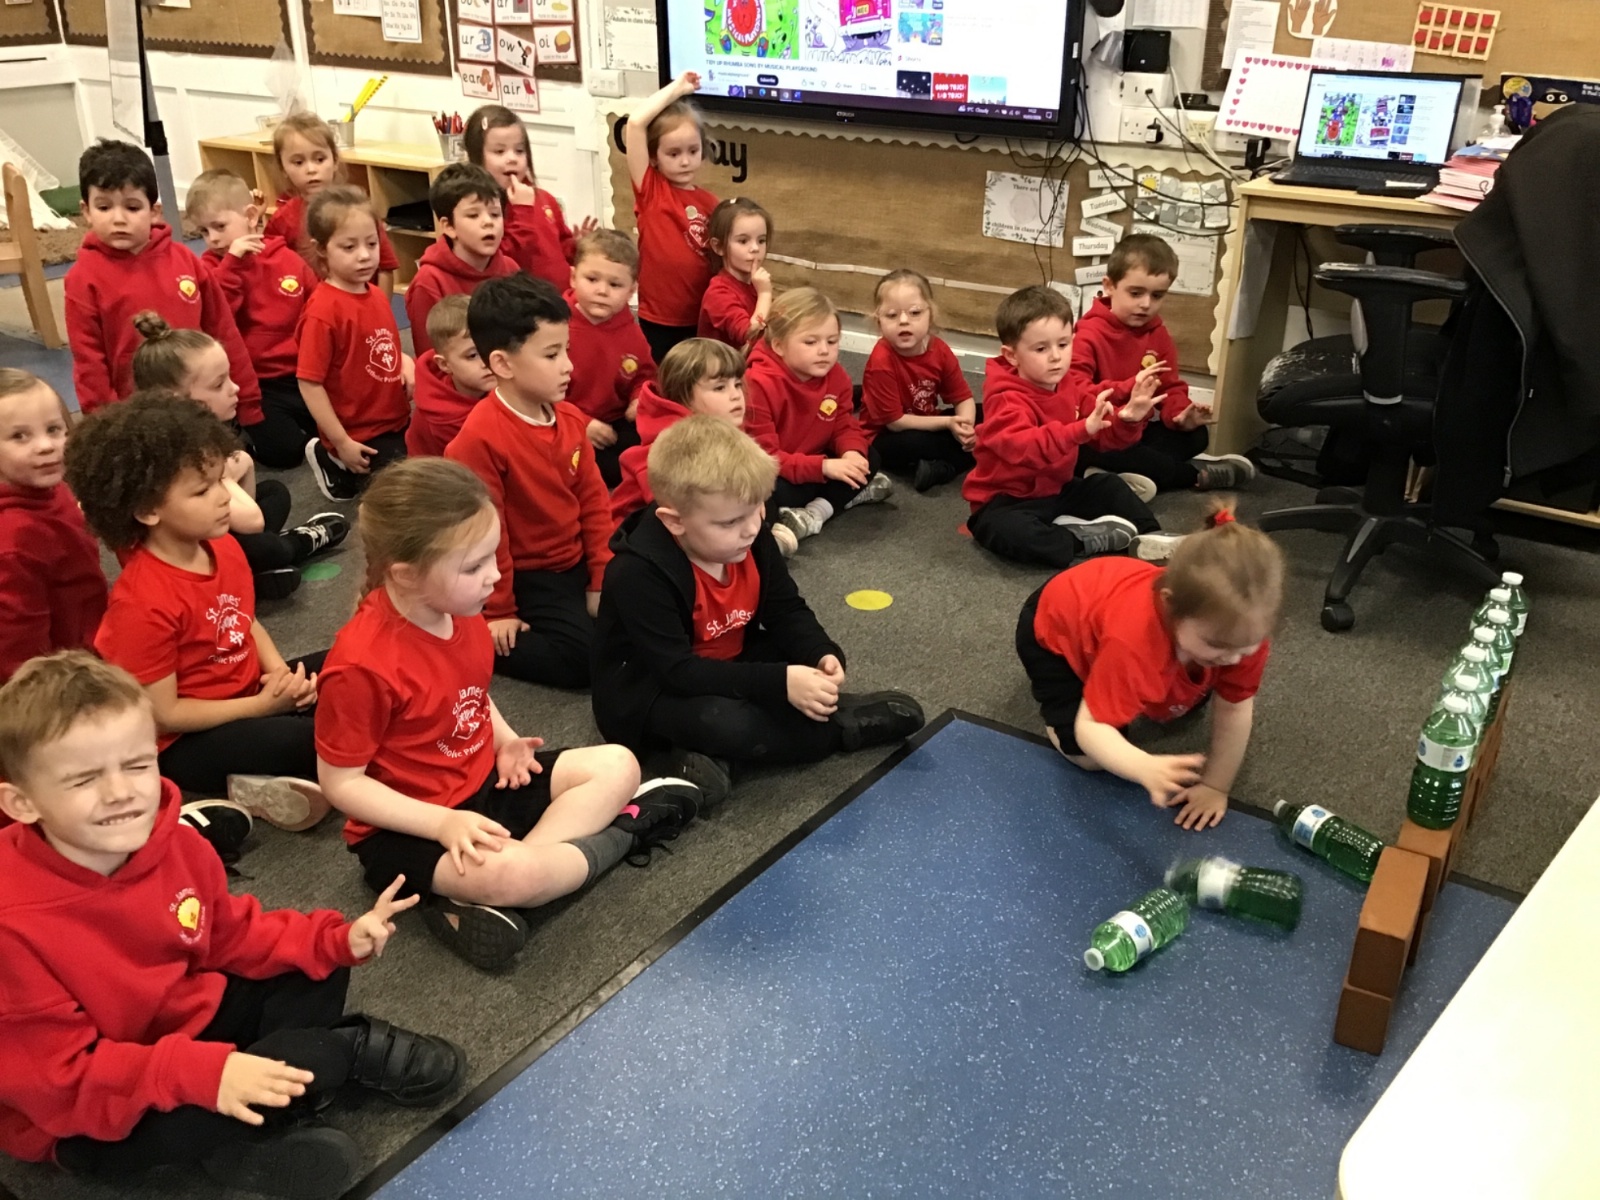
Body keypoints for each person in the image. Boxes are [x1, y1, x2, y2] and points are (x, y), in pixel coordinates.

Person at [0, 651, 466, 1200]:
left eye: (137, 765)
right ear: (21, 803)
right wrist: (204, 1073)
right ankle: (324, 1065)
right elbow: (61, 1084)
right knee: (303, 1062)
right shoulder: (12, 927)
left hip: (185, 1022)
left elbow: (229, 935)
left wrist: (335, 940)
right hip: (88, 1106)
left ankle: (265, 1114)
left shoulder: (176, 842)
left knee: (316, 963)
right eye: (84, 779)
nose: (121, 792)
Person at [315, 458, 698, 971]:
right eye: (473, 567)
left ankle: (509, 885)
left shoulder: (460, 611)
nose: (495, 576)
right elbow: (341, 784)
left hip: (484, 787)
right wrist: (443, 823)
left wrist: (505, 740)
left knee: (619, 763)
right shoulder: (360, 666)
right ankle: (623, 833)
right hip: (408, 830)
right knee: (519, 874)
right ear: (405, 575)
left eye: (493, 557)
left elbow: (468, 692)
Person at [595, 417, 927, 806]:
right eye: (729, 522)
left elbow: (785, 609)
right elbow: (677, 671)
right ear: (674, 522)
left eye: (757, 511)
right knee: (723, 722)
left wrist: (819, 653)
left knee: (795, 671)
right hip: (656, 692)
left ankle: (717, 758)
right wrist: (780, 683)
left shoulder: (751, 537)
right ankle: (837, 729)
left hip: (731, 657)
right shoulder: (637, 573)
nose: (751, 528)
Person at [64, 394, 331, 846]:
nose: (225, 496)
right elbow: (164, 715)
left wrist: (279, 675)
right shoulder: (142, 604)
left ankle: (268, 773)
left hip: (249, 695)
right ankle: (250, 783)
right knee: (309, 738)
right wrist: (264, 706)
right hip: (185, 744)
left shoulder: (222, 547)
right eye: (202, 491)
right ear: (148, 510)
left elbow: (245, 622)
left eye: (220, 480)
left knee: (352, 665)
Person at [1015, 504, 1283, 831]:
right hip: (1053, 628)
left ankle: (1153, 672)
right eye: (1217, 645)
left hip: (1113, 604)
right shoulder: (1134, 641)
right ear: (1171, 606)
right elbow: (1091, 728)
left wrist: (1216, 786)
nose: (1233, 658)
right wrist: (1142, 765)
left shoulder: (1242, 634)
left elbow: (1235, 708)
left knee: (1177, 693)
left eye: (1246, 648)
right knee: (1092, 758)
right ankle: (1060, 718)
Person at [445, 273, 610, 689]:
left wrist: (601, 575)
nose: (568, 365)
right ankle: (461, 638)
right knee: (586, 661)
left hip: (574, 558)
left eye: (566, 350)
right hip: (525, 575)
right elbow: (487, 533)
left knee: (649, 608)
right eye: (552, 354)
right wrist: (499, 610)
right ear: (502, 364)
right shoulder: (479, 439)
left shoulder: (568, 416)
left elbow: (593, 500)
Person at [132, 317, 347, 601]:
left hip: (211, 534)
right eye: (219, 384)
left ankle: (253, 572)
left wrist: (231, 474)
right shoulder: (180, 452)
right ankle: (298, 542)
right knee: (267, 548)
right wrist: (224, 478)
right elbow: (252, 520)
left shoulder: (195, 433)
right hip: (191, 557)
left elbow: (244, 470)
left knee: (275, 492)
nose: (234, 388)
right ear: (178, 400)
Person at [963, 285, 1173, 568]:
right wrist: (1081, 430)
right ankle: (1077, 538)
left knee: (1109, 485)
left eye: (1063, 345)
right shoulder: (1005, 398)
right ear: (1011, 355)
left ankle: (1152, 538)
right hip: (1007, 500)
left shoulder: (1067, 383)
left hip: (1057, 488)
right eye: (1041, 349)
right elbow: (1025, 448)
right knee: (1007, 531)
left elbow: (1105, 437)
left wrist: (1128, 419)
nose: (1056, 356)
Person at [64, 140, 260, 421]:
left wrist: (248, 399)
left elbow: (223, 329)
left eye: (132, 207)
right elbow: (89, 364)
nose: (118, 219)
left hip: (202, 409)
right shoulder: (82, 278)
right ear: (86, 212)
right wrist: (108, 423)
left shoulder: (185, 260)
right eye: (104, 207)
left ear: (154, 211)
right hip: (135, 417)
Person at [1070, 233, 1255, 493]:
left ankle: (1114, 476)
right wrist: (1128, 388)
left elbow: (1169, 387)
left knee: (1196, 436)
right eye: (1136, 293)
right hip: (1099, 434)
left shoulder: (1157, 333)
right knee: (1106, 452)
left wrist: (1180, 415)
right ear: (1109, 286)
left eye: (1157, 296)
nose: (1146, 304)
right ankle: (1193, 476)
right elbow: (1075, 393)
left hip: (1136, 432)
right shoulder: (1087, 334)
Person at [186, 167, 321, 469]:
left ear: (249, 215)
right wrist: (232, 265)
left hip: (302, 373)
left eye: (219, 226)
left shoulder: (286, 258)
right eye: (204, 232)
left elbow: (316, 307)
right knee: (286, 454)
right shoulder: (211, 268)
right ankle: (239, 430)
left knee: (336, 431)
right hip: (257, 385)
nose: (212, 239)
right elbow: (214, 319)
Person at [744, 287, 893, 549]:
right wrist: (824, 468)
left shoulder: (837, 377)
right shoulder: (757, 384)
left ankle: (814, 514)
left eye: (832, 341)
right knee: (768, 494)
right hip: (775, 470)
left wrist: (851, 453)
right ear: (778, 345)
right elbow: (765, 458)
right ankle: (843, 497)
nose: (824, 351)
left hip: (813, 463)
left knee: (869, 457)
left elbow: (843, 425)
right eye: (811, 342)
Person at [296, 186, 413, 502]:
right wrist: (341, 442)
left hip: (395, 417)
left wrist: (406, 362)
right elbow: (309, 383)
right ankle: (332, 461)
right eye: (349, 247)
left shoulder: (376, 294)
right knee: (402, 496)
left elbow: (381, 344)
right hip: (359, 433)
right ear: (322, 249)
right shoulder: (322, 312)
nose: (364, 255)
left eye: (371, 244)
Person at [0, 370, 106, 684]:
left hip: (88, 639)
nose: (46, 446)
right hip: (63, 678)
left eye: (54, 429)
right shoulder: (14, 541)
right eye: (20, 436)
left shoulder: (52, 489)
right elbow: (19, 654)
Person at [610, 337, 771, 539]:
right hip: (645, 532)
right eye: (720, 388)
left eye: (737, 384)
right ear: (683, 396)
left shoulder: (725, 427)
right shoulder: (667, 446)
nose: (736, 395)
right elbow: (682, 511)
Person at [624, 71, 719, 362]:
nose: (685, 161)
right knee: (664, 378)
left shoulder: (711, 203)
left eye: (693, 151)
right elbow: (636, 124)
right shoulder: (651, 191)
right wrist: (677, 89)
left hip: (700, 316)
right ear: (654, 157)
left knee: (696, 378)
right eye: (674, 154)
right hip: (659, 319)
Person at [860, 268, 978, 492]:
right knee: (914, 443)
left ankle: (950, 459)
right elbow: (895, 422)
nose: (904, 321)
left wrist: (966, 427)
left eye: (915, 312)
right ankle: (954, 465)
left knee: (993, 411)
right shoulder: (881, 360)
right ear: (879, 321)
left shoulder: (940, 350)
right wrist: (948, 424)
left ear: (930, 315)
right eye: (892, 315)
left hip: (928, 421)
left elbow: (963, 397)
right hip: (886, 436)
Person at [463, 103, 595, 289]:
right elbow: (501, 259)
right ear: (477, 158)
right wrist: (522, 211)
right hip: (523, 300)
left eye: (519, 150)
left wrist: (577, 246)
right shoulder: (480, 209)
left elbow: (558, 248)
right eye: (499, 151)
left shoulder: (544, 199)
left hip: (561, 298)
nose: (512, 158)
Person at [265, 111, 397, 295]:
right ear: (283, 168)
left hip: (362, 304)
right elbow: (271, 271)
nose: (311, 169)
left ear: (335, 160)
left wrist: (381, 308)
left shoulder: (359, 209)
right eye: (298, 162)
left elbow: (385, 267)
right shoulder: (283, 219)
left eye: (320, 159)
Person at [564, 228, 657, 488]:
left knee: (650, 454)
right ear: (573, 277)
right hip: (565, 421)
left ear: (631, 290)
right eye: (592, 279)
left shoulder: (632, 331)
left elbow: (644, 375)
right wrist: (581, 424)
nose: (602, 291)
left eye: (615, 285)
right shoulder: (556, 326)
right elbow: (538, 394)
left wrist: (638, 397)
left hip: (615, 421)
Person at [403, 162, 518, 357]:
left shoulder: (510, 269)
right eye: (473, 215)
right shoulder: (429, 282)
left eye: (495, 214)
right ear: (449, 226)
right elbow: (431, 357)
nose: (488, 222)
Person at [406, 294, 496, 457]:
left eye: (491, 348)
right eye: (473, 355)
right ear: (445, 365)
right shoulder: (439, 418)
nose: (487, 362)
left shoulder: (506, 383)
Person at [697, 197, 773, 351]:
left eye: (761, 240)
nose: (755, 248)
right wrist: (765, 294)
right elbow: (751, 336)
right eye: (743, 241)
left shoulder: (755, 283)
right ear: (718, 247)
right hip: (723, 366)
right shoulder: (718, 294)